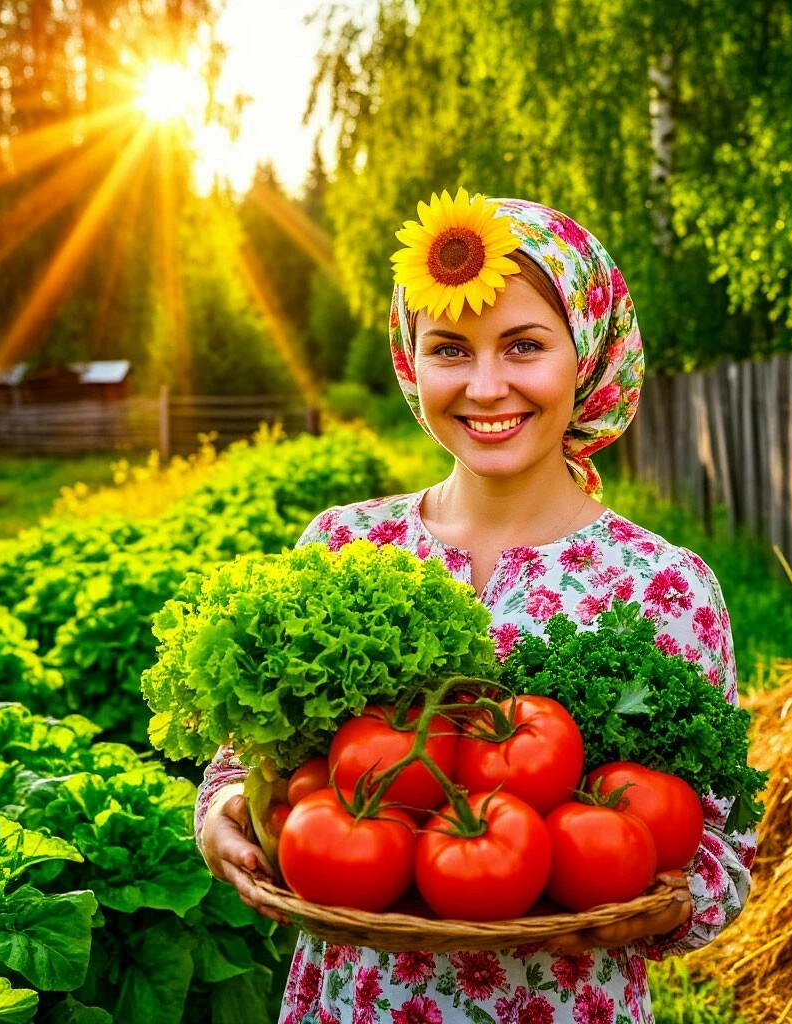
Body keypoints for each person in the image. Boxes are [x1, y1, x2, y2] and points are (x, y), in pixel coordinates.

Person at [195, 189, 755, 1024]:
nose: (486, 387)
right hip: (357, 1004)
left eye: (524, 346)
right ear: (410, 360)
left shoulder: (661, 582)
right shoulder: (345, 545)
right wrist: (222, 815)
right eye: (451, 348)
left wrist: (661, 900)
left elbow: (724, 853)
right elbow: (248, 759)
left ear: (587, 353)